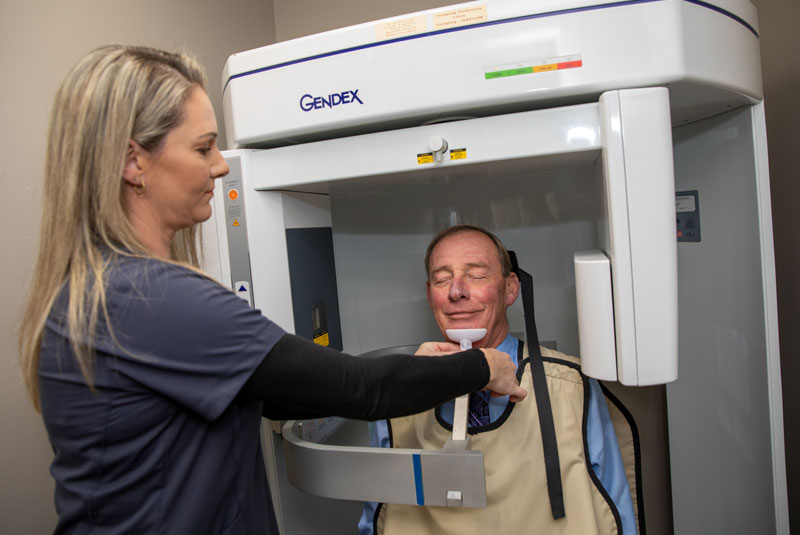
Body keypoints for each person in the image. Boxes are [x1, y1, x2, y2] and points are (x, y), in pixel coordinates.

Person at [17, 46, 527, 535]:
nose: (220, 165)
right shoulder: (151, 298)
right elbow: (360, 389)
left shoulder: (104, 291)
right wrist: (486, 366)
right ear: (134, 162)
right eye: (202, 147)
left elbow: (280, 395)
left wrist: (423, 368)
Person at [359, 225, 642, 535]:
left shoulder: (571, 388)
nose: (457, 291)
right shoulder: (397, 400)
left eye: (477, 275)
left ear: (510, 289)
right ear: (430, 295)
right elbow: (376, 519)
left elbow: (617, 516)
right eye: (442, 279)